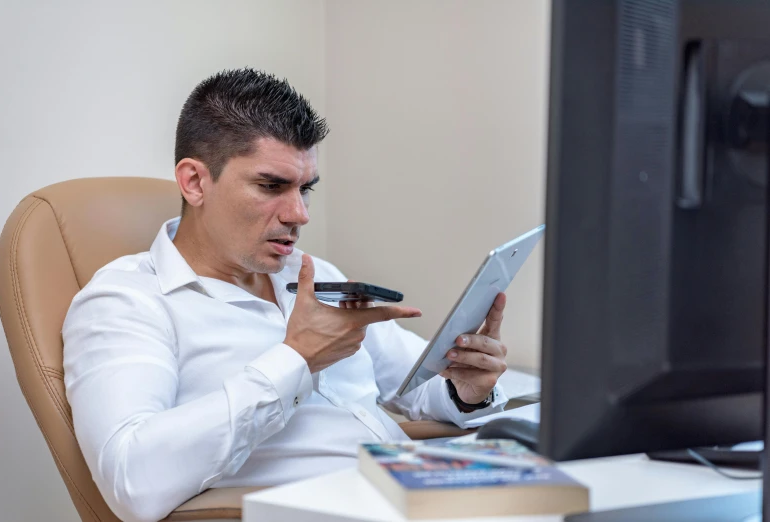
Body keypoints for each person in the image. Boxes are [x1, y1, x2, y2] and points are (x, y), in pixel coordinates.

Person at [63, 68, 510, 522]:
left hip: (411, 488)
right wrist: (296, 361)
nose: (299, 214)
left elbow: (409, 385)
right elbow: (131, 481)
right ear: (195, 182)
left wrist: (465, 390)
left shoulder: (313, 275)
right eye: (271, 186)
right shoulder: (128, 301)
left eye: (305, 189)